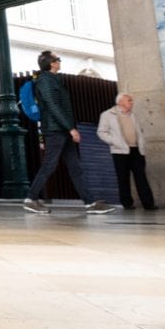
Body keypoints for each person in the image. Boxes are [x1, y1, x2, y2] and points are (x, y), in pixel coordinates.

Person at [23, 51, 115, 215]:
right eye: (58, 59)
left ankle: (90, 203)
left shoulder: (54, 79)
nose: (60, 62)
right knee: (49, 165)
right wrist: (70, 128)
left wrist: (69, 128)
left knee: (75, 167)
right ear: (52, 63)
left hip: (62, 130)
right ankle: (30, 199)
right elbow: (53, 106)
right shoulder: (45, 80)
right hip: (55, 130)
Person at [96, 93, 157, 211]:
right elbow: (101, 132)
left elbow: (139, 131)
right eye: (129, 100)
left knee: (141, 177)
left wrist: (142, 143)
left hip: (136, 150)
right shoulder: (107, 115)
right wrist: (114, 142)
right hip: (119, 152)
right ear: (121, 102)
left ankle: (148, 204)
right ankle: (127, 204)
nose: (132, 102)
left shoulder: (134, 115)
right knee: (123, 178)